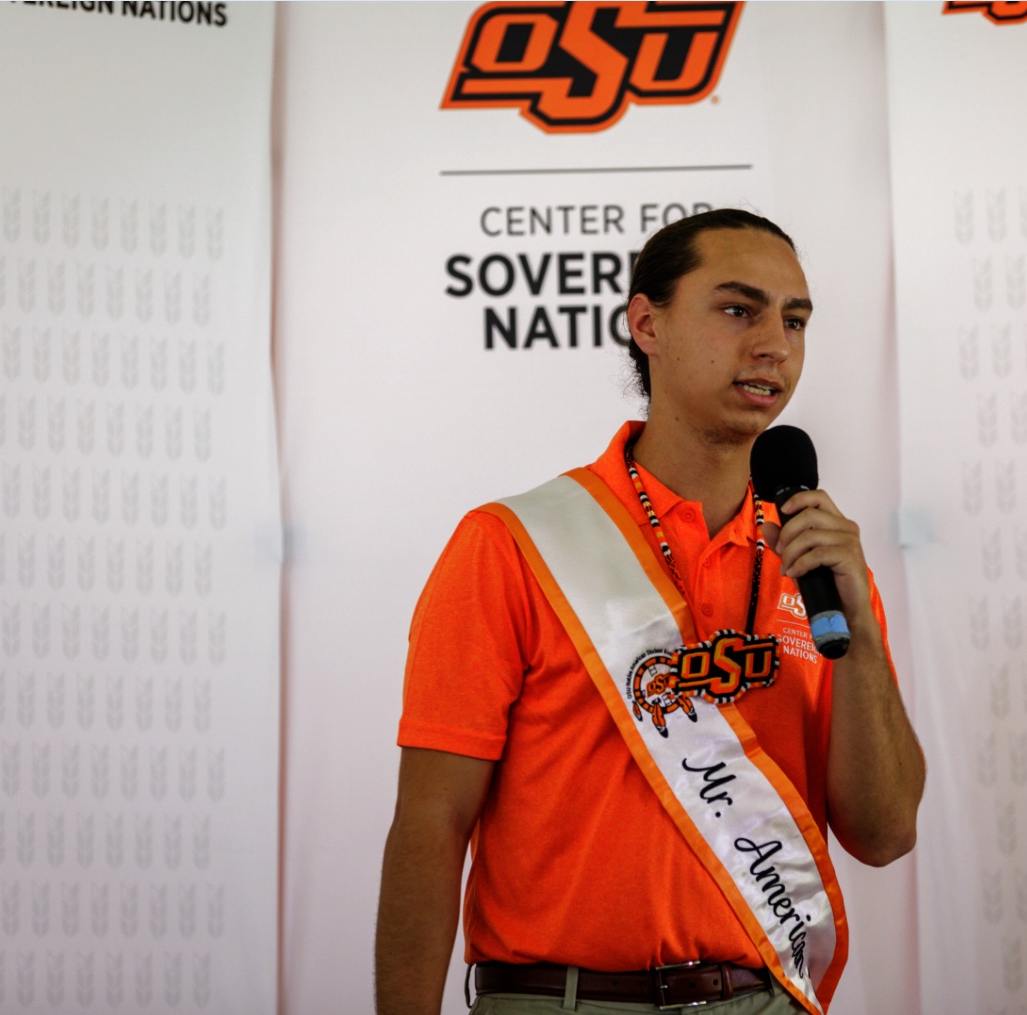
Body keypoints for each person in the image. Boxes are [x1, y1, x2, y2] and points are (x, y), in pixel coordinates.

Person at [375, 209, 925, 1015]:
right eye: (738, 309)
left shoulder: (820, 564)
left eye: (795, 318)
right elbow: (430, 822)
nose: (774, 342)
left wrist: (865, 638)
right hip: (560, 999)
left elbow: (885, 835)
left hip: (763, 996)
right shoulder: (513, 544)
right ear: (646, 323)